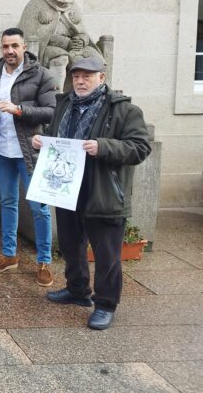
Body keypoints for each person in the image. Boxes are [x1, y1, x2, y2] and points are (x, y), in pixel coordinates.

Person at [33, 56, 151, 330]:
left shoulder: (124, 110)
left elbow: (140, 148)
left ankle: (106, 304)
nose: (81, 80)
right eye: (76, 76)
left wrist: (103, 147)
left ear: (102, 77)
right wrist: (42, 141)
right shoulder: (64, 105)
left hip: (104, 191)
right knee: (71, 244)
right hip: (66, 187)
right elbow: (58, 136)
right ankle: (77, 291)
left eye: (87, 75)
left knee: (107, 253)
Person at [0, 28, 57, 287]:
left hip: (29, 151)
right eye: (5, 46)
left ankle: (44, 261)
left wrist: (19, 110)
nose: (10, 51)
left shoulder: (41, 74)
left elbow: (50, 111)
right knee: (8, 202)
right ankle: (9, 255)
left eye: (14, 46)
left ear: (24, 47)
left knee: (39, 207)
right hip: (2, 151)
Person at [18, 0, 103, 91]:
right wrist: (65, 42)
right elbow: (28, 34)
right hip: (45, 48)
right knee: (60, 58)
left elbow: (82, 31)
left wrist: (81, 40)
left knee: (95, 58)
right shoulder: (37, 4)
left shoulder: (73, 6)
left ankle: (95, 94)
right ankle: (56, 96)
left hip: (73, 47)